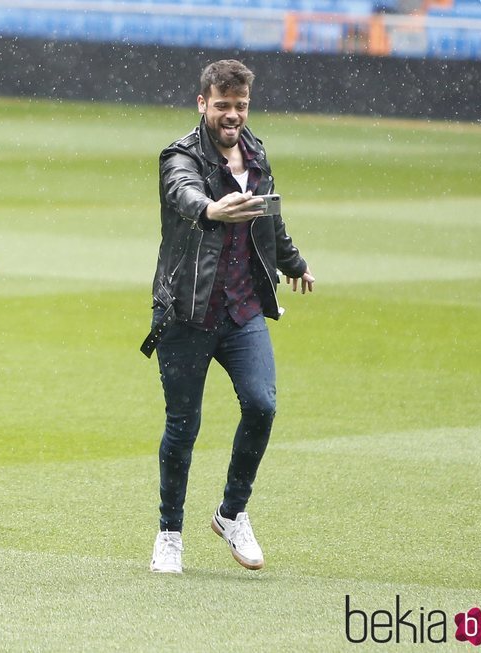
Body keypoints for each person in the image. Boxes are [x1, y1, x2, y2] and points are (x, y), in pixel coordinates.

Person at [141, 60, 314, 574]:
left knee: (261, 405)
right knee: (183, 426)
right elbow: (182, 191)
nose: (231, 115)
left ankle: (231, 513)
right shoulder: (181, 154)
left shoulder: (256, 153)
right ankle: (170, 532)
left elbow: (269, 219)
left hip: (242, 310)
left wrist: (294, 262)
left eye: (239, 106)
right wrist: (210, 209)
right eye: (222, 105)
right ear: (202, 104)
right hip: (185, 312)